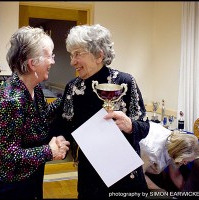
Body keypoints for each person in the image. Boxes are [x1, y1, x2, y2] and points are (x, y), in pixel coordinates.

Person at [49, 24, 149, 199]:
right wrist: (60, 137)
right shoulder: (72, 88)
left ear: (99, 55)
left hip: (124, 178)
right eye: (71, 55)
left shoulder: (124, 82)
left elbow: (144, 126)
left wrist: (130, 125)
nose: (72, 62)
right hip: (90, 179)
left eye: (78, 54)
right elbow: (62, 125)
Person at [0, 26, 70, 199]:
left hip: (32, 174)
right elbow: (9, 155)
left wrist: (70, 95)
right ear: (33, 63)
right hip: (12, 185)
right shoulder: (10, 101)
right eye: (49, 56)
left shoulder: (35, 88)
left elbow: (43, 116)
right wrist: (49, 150)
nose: (53, 61)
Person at [140, 121, 199, 191]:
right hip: (133, 169)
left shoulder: (176, 146)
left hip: (148, 167)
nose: (185, 163)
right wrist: (160, 190)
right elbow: (139, 176)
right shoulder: (152, 151)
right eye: (185, 161)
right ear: (181, 154)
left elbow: (175, 174)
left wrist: (185, 193)